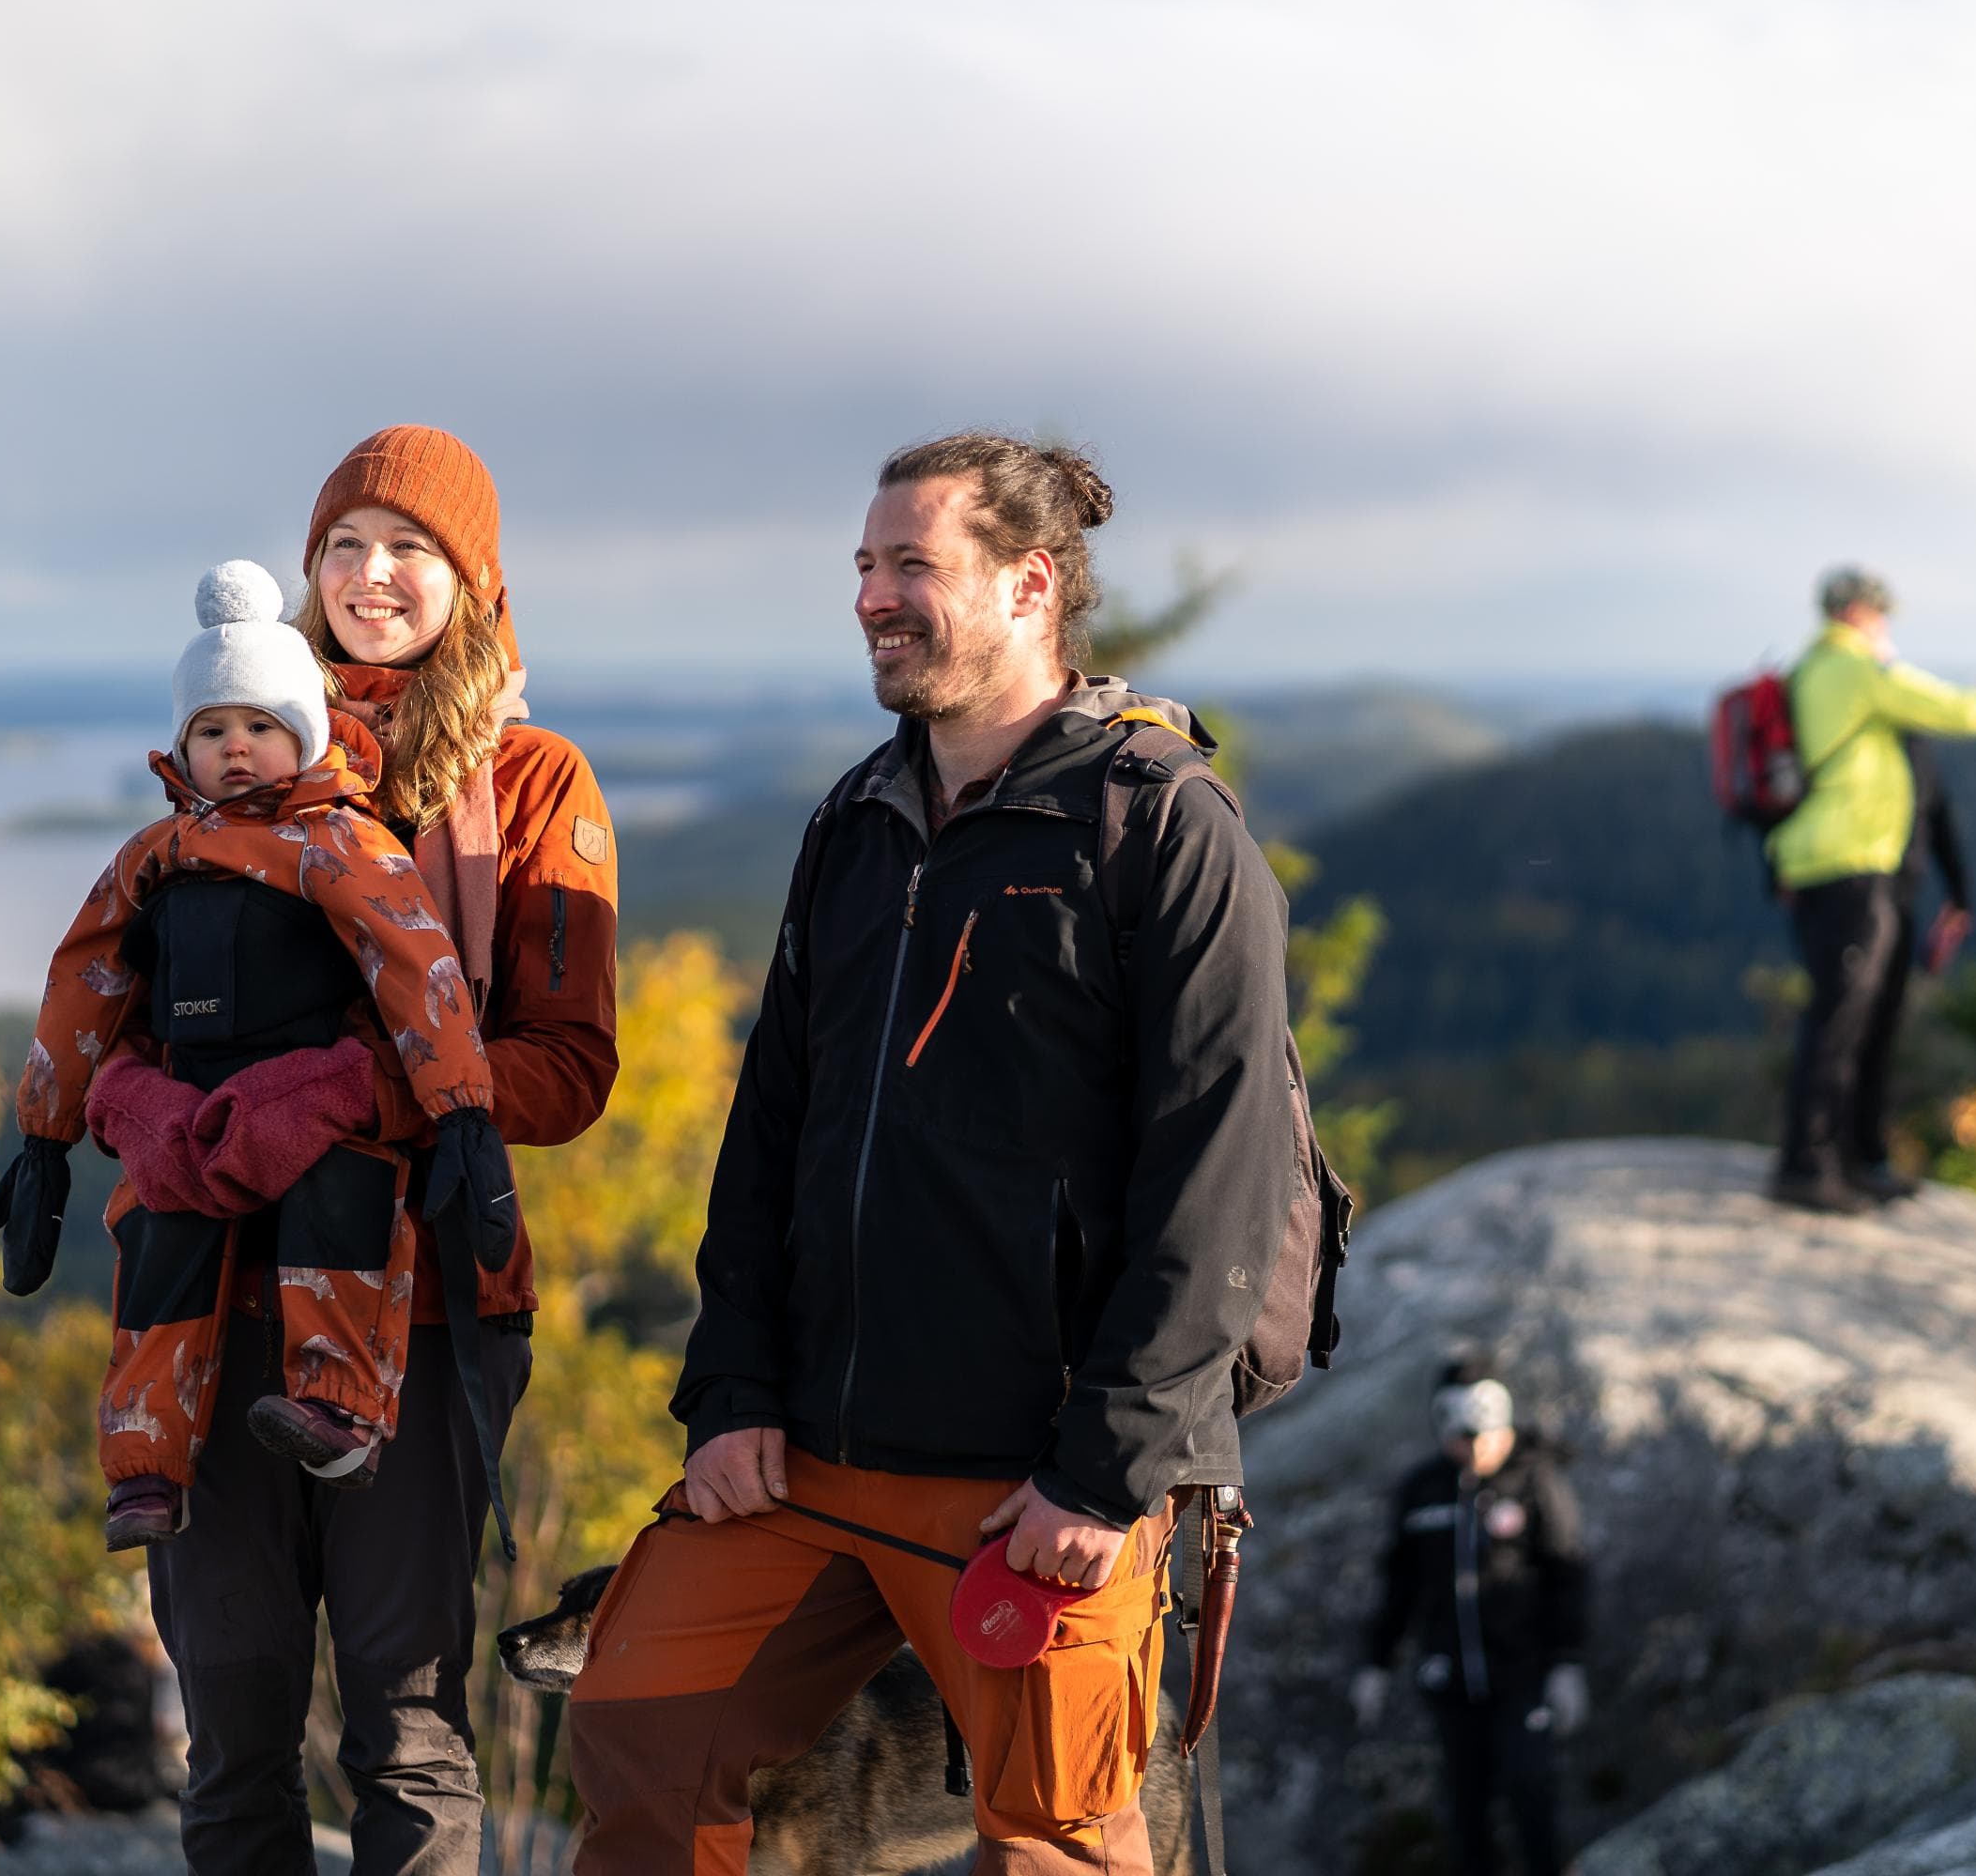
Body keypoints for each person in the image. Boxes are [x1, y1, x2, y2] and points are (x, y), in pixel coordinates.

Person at [563, 432, 1297, 1874]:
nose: (872, 597)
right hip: (808, 1459)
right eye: (863, 565)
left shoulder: (1160, 826)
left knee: (1059, 1841)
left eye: (912, 564)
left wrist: (1109, 1471)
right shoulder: (859, 819)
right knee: (645, 1734)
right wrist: (729, 1391)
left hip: (1035, 1474)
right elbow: (772, 1124)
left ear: (1030, 585)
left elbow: (1223, 1174)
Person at [0, 427, 621, 1875]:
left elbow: (569, 1068)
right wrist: (131, 1109)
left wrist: (353, 1093)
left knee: (407, 1728)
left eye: (412, 546)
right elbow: (128, 998)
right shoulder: (240, 761)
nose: (374, 573)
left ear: (474, 577)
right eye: (347, 543)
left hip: (427, 1303)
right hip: (209, 1300)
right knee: (232, 1732)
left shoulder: (532, 781)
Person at [0, 561, 513, 1555]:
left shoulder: (338, 842)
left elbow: (416, 964)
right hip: (190, 1105)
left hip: (310, 1094)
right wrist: (44, 1136)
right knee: (159, 1243)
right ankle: (145, 1462)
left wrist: (464, 1111)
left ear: (303, 732)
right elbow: (85, 979)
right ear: (181, 743)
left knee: (339, 1211)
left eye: (261, 726)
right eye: (212, 730)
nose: (236, 748)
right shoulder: (155, 855)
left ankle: (340, 1407)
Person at [1768, 566, 1976, 1213]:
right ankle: (1808, 1166)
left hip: (1832, 865)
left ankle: (1858, 1156)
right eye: (1883, 614)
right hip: (1849, 864)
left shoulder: (1808, 670)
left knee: (1860, 1016)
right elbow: (1960, 710)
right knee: (1841, 1019)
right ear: (1863, 613)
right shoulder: (1859, 670)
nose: (1887, 626)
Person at [1352, 1361, 1588, 1876]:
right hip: (1450, 1680)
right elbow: (1400, 1585)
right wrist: (1376, 1663)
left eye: (1487, 1435)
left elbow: (1567, 1573)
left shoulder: (1536, 1483)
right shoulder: (1421, 1490)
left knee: (1531, 1791)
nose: (1477, 1447)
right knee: (1465, 1809)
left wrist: (1568, 1663)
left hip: (1524, 1674)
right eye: (1464, 1436)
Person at [1847, 735, 1973, 1201]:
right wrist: (1961, 894)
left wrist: (1960, 894)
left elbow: (1937, 815)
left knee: (1860, 1028)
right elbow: (1939, 817)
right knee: (1858, 1030)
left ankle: (1852, 1154)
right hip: (1877, 899)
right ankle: (1851, 1156)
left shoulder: (1866, 734)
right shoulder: (1906, 740)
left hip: (1865, 898)